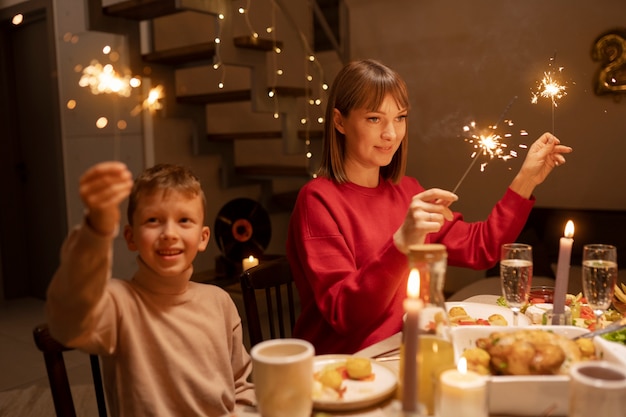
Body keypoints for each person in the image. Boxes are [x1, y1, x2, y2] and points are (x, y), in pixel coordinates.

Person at [286, 59, 573, 355]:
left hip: (410, 349)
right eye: (374, 118)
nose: (391, 134)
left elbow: (482, 248)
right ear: (339, 121)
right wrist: (402, 242)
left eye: (400, 118)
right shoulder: (317, 201)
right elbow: (345, 315)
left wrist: (526, 180)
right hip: (350, 363)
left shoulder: (409, 191)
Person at [45, 162, 255, 416]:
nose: (169, 233)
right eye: (153, 220)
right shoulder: (117, 303)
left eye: (184, 220)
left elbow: (241, 386)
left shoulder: (220, 302)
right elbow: (68, 323)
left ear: (203, 237)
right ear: (131, 237)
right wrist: (96, 230)